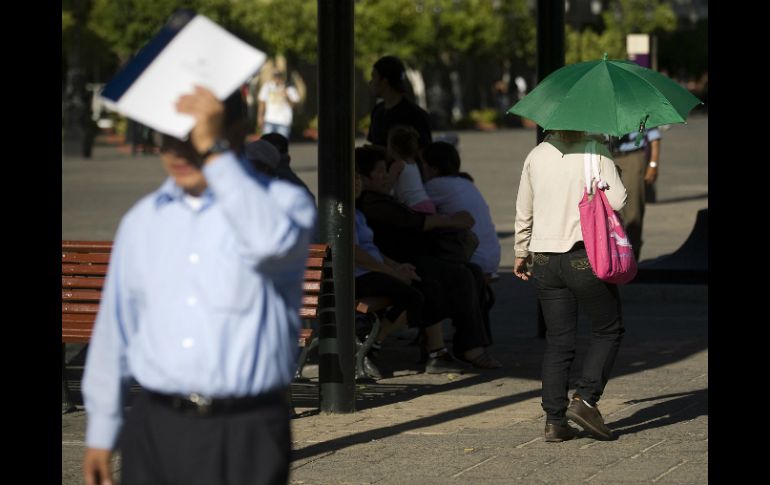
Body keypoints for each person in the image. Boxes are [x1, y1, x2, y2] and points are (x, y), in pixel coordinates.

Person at [81, 86, 316, 485]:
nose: (179, 149)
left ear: (238, 132)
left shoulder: (281, 204)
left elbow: (269, 242)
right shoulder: (143, 222)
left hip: (245, 428)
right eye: (168, 135)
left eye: (196, 135)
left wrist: (216, 153)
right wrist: (101, 432)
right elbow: (114, 332)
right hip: (155, 425)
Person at [513, 129, 627, 442]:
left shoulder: (536, 155)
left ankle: (554, 420)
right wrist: (610, 169)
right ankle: (586, 400)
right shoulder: (595, 150)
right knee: (608, 328)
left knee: (559, 339)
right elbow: (618, 199)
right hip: (583, 254)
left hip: (544, 259)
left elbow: (525, 211)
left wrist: (521, 253)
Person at [356, 145, 502, 369]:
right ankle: (459, 348)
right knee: (455, 276)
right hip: (398, 263)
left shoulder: (380, 199)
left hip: (402, 261)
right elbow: (413, 221)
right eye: (381, 172)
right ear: (362, 178)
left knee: (469, 271)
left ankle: (468, 344)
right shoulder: (370, 202)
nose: (388, 176)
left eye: (388, 171)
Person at [354, 171, 466, 375]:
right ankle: (373, 345)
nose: (356, 183)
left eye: (358, 178)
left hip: (372, 272)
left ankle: (377, 344)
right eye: (351, 180)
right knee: (416, 294)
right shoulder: (342, 214)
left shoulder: (358, 213)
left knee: (426, 283)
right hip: (357, 278)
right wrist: (391, 272)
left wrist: (397, 266)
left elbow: (371, 249)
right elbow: (354, 254)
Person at [422, 141, 501, 281]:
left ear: (433, 169)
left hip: (473, 259)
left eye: (423, 164)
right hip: (492, 257)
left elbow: (412, 204)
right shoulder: (465, 183)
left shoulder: (435, 185)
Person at [611, 128, 662, 261]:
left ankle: (632, 257)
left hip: (631, 156)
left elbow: (654, 134)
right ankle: (612, 257)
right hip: (606, 154)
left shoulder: (637, 107)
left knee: (633, 212)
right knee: (607, 212)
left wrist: (653, 163)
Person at [367, 55, 432, 150]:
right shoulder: (378, 111)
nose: (370, 82)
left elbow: (423, 153)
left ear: (384, 82)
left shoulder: (416, 115)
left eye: (373, 77)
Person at [386, 125, 435, 214]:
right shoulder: (414, 163)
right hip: (428, 204)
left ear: (394, 148)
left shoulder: (397, 165)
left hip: (413, 207)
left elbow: (387, 187)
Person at [258, 70, 300, 139]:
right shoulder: (267, 87)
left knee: (281, 146)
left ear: (282, 77)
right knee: (267, 145)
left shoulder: (290, 88)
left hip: (284, 122)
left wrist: (287, 97)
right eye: (275, 76)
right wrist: (260, 117)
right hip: (269, 120)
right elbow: (262, 102)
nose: (276, 79)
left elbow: (296, 106)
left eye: (278, 76)